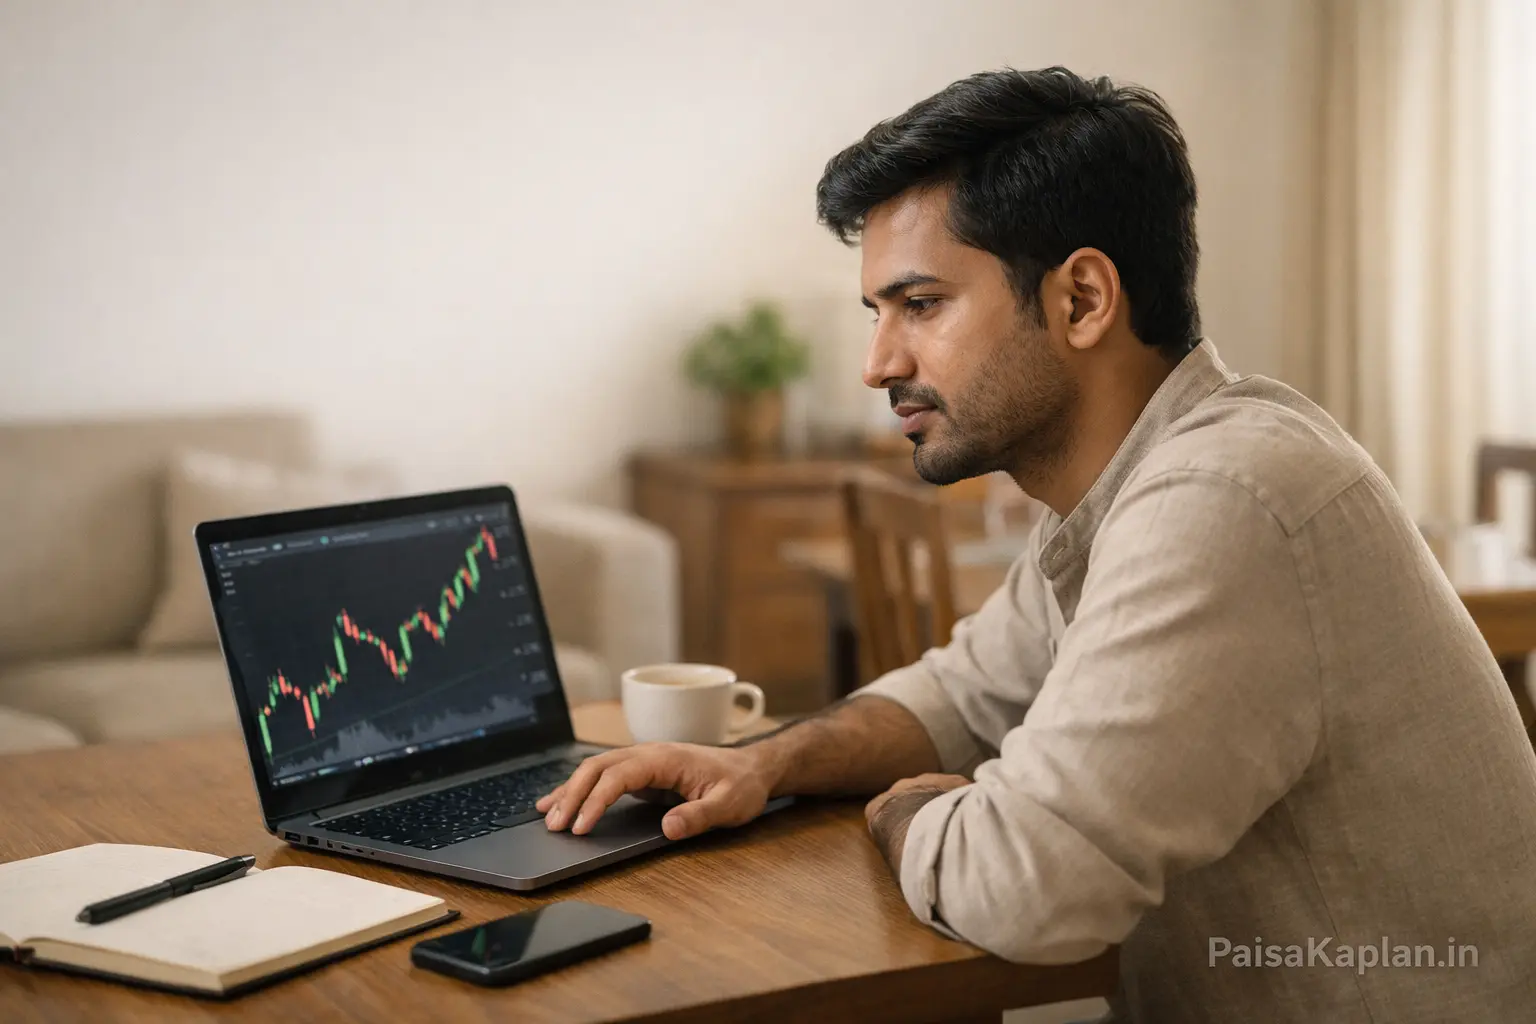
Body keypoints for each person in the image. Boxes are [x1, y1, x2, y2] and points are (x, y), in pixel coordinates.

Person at [538, 67, 1536, 1022]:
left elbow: (1026, 889)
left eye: (920, 305)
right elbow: (961, 693)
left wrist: (904, 814)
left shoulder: (1226, 498)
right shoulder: (1118, 495)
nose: (878, 362)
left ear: (1082, 300)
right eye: (876, 313)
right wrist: (763, 762)